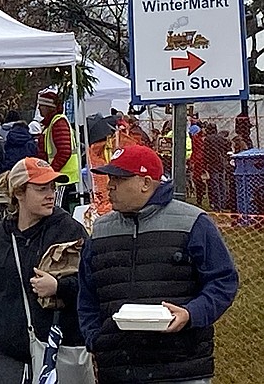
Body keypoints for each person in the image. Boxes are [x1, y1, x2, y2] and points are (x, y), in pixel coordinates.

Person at [78, 145, 239, 383]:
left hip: (181, 368)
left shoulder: (194, 222)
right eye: (109, 178)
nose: (109, 185)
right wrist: (94, 338)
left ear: (145, 183)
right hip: (119, 368)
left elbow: (223, 281)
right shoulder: (100, 230)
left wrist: (191, 313)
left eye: (119, 179)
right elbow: (87, 293)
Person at [0, 157, 90, 383]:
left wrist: (59, 287)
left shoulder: (70, 231)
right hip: (9, 356)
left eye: (52, 187)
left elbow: (93, 285)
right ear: (19, 193)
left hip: (60, 352)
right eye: (42, 189)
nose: (50, 194)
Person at [35, 91, 80, 211]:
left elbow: (64, 152)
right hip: (59, 177)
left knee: (58, 213)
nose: (39, 109)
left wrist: (50, 172)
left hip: (63, 179)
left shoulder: (58, 123)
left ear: (49, 107)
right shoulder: (52, 123)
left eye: (41, 106)